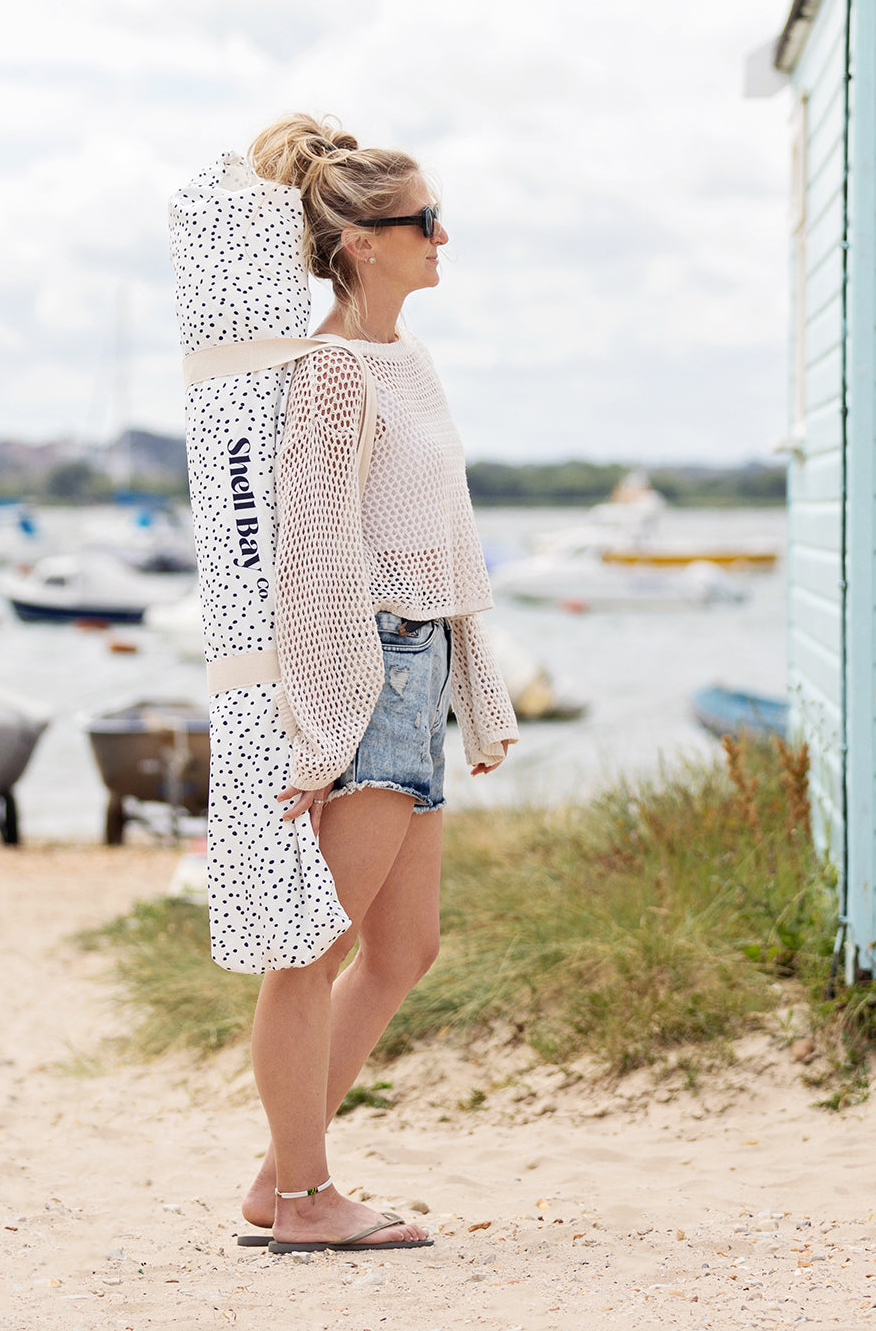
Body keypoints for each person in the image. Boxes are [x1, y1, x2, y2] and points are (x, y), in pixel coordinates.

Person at [170, 114, 518, 1254]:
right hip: (359, 675)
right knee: (309, 950)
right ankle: (310, 1204)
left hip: (413, 672)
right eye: (423, 222)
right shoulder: (324, 379)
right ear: (360, 243)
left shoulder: (402, 362)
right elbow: (314, 564)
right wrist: (317, 737)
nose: (441, 237)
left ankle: (281, 1177)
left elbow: (446, 540)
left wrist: (479, 687)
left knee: (402, 952)